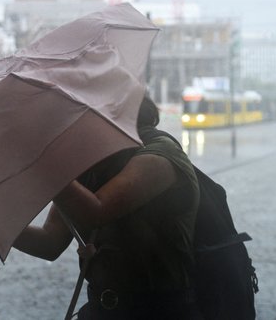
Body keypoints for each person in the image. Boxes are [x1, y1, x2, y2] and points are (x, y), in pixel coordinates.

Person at [12, 94, 202, 319]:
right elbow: (50, 241)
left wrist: (41, 160)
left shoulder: (161, 152)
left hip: (160, 309)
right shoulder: (89, 163)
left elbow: (97, 211)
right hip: (103, 308)